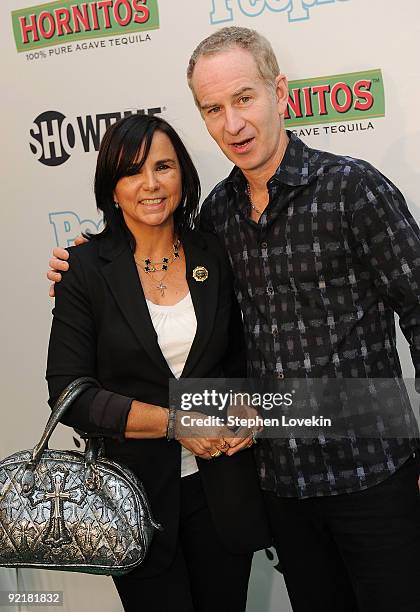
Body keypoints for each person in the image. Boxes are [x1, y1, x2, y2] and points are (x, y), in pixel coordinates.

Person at [48, 27, 420, 612]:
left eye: (244, 99)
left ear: (279, 91)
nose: (232, 124)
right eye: (213, 109)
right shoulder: (218, 218)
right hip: (280, 487)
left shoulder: (354, 189)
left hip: (371, 473)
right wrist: (76, 267)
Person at [46, 112, 271, 612]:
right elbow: (71, 394)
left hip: (220, 493)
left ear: (183, 176)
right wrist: (176, 423)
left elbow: (240, 355)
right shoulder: (84, 269)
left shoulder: (214, 252)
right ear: (112, 186)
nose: (150, 183)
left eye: (163, 166)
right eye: (132, 171)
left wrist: (246, 405)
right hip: (134, 502)